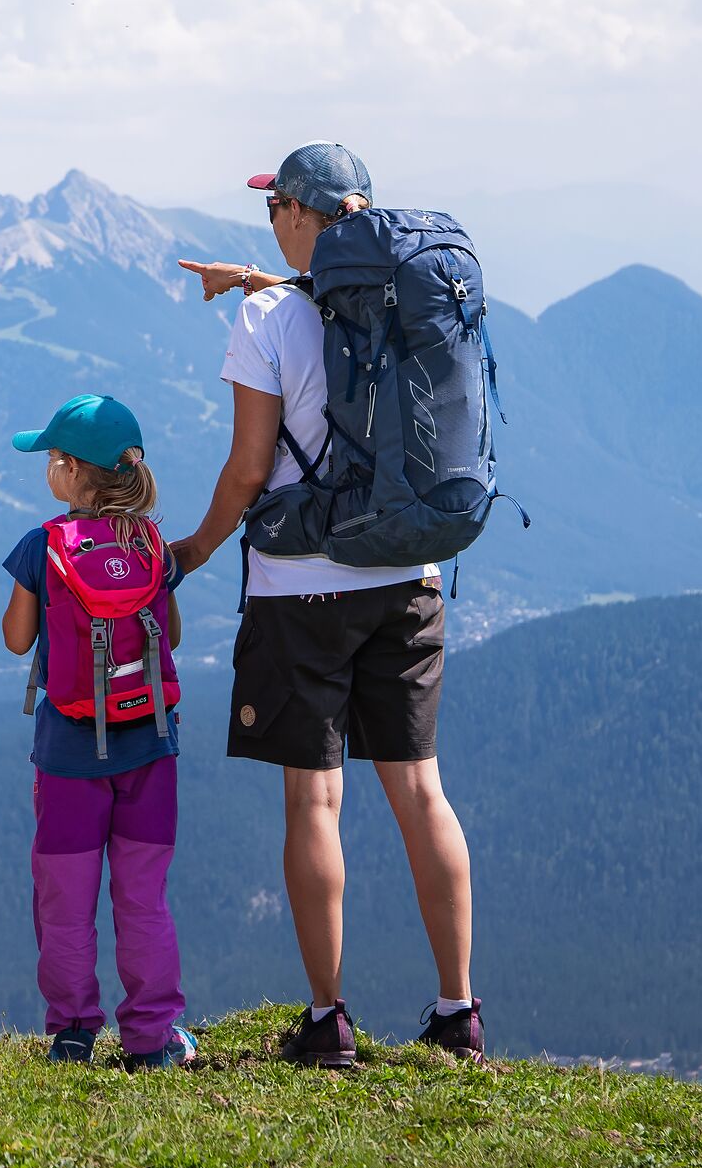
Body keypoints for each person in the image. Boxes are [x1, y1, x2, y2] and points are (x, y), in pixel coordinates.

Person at [170, 143, 484, 1063]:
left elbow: (248, 468)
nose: (272, 222)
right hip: (411, 576)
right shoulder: (403, 304)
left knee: (315, 802)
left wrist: (193, 548)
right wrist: (258, 274)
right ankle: (457, 1009)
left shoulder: (269, 316)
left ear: (305, 215)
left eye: (277, 209)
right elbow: (327, 291)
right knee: (422, 791)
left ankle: (325, 1018)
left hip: (302, 587)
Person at [1, 394, 196, 1071]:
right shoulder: (152, 545)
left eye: (53, 460)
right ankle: (151, 1036)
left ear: (76, 474)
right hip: (150, 748)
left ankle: (73, 1031)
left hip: (67, 755)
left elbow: (15, 637)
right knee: (143, 898)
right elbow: (168, 636)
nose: (48, 471)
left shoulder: (42, 546)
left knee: (65, 902)